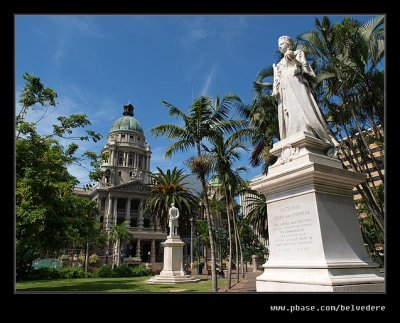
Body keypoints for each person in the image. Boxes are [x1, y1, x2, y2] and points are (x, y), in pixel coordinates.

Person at [272, 36, 339, 154]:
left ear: (288, 44)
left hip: (297, 83)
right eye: (279, 44)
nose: (280, 46)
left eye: (282, 43)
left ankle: (309, 130)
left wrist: (293, 59)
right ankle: (293, 133)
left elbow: (305, 68)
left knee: (302, 108)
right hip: (284, 89)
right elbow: (277, 80)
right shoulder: (278, 64)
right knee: (289, 112)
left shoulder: (298, 53)